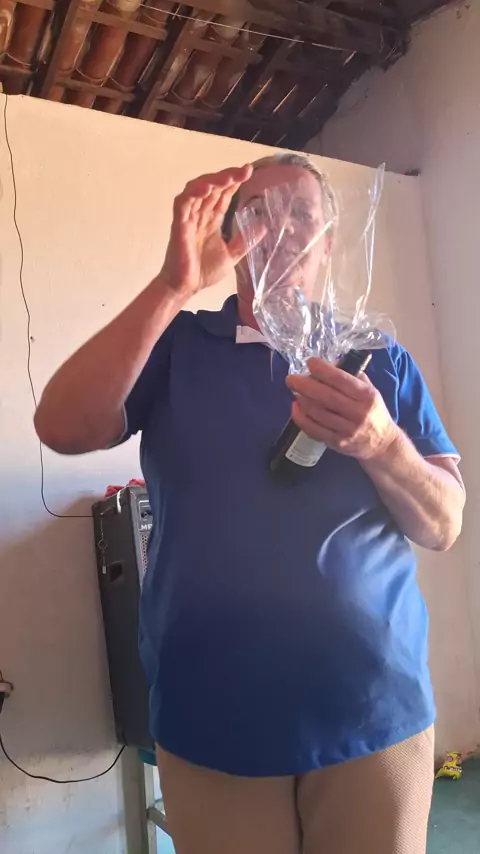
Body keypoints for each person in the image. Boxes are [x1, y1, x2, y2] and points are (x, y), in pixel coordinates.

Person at [34, 154, 465, 854]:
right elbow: (61, 426)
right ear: (230, 237)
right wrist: (172, 286)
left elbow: (444, 523)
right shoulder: (177, 346)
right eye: (258, 212)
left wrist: (383, 442)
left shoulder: (376, 359)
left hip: (373, 707)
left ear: (328, 241)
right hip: (212, 714)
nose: (282, 229)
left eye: (301, 213)